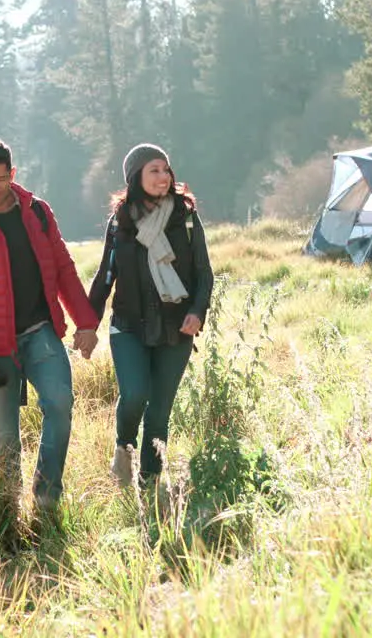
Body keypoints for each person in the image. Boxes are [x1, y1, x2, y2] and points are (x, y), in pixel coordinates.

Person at [0, 137, 100, 515]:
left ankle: (46, 501)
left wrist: (86, 322)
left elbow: (63, 268)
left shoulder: (38, 213)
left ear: (12, 174)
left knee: (60, 405)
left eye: (0, 179)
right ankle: (5, 513)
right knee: (5, 436)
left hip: (40, 332)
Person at [87, 143, 214, 493]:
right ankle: (123, 448)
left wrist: (196, 312)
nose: (163, 176)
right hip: (128, 325)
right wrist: (87, 324)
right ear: (135, 177)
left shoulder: (185, 217)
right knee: (135, 395)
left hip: (177, 327)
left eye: (165, 169)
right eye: (153, 170)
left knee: (159, 411)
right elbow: (105, 276)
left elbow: (204, 273)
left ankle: (149, 485)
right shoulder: (121, 221)